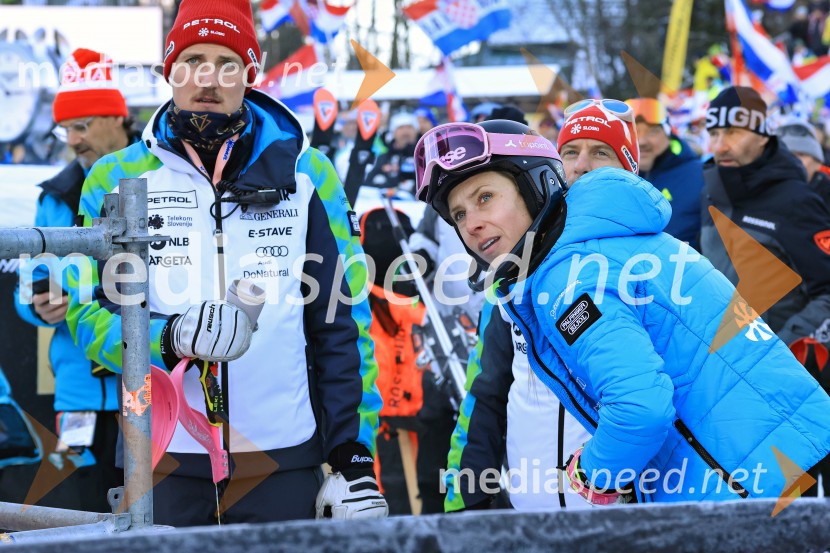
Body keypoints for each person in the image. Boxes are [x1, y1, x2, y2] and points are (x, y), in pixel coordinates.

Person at [66, 0, 385, 526]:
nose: (208, 77)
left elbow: (342, 323)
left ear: (250, 74)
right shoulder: (114, 177)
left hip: (283, 455)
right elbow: (85, 311)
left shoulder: (308, 172)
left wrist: (354, 457)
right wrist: (167, 339)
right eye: (192, 60)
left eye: (227, 61)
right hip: (161, 457)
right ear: (170, 70)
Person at [415, 110, 830, 504]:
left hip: (753, 485)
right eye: (459, 213)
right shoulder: (604, 240)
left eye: (485, 197)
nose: (471, 224)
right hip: (787, 459)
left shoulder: (569, 276)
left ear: (534, 185)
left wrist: (592, 476)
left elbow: (640, 408)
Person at [445, 104, 642, 512]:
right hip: (530, 516)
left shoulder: (648, 263)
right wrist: (467, 497)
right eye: (570, 153)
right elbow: (486, 390)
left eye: (600, 152)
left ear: (629, 167)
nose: (582, 166)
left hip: (621, 517)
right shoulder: (512, 274)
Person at [13, 48, 133, 513]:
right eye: (66, 129)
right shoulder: (55, 198)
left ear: (116, 118)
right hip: (80, 389)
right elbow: (30, 284)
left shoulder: (164, 178)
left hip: (152, 383)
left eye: (82, 126)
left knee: (153, 510)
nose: (73, 140)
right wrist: (38, 304)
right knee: (87, 512)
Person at [701, 87, 830, 349]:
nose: (720, 145)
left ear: (762, 136)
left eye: (733, 132)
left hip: (781, 372)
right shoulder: (709, 196)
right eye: (714, 134)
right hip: (720, 364)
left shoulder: (796, 200)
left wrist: (781, 353)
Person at [626, 97, 705, 250]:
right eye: (634, 132)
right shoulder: (615, 178)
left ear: (668, 134)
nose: (641, 141)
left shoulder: (701, 175)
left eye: (653, 132)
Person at [777, 116, 830, 206]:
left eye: (801, 155)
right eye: (788, 153)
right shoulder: (763, 188)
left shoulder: (826, 194)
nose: (793, 159)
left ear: (817, 162)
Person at [366, 111, 419, 194]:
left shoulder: (424, 155)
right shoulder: (384, 156)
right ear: (393, 132)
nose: (405, 131)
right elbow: (369, 182)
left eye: (409, 127)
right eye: (401, 127)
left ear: (416, 131)